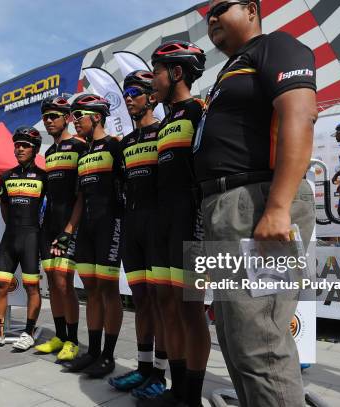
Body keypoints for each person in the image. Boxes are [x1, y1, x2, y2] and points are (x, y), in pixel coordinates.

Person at [194, 1, 317, 406]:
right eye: (207, 13)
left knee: (260, 341)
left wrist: (279, 207)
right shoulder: (230, 69)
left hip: (259, 202)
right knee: (234, 338)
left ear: (250, 9)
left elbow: (300, 115)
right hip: (225, 209)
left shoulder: (276, 46)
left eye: (220, 8)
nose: (211, 17)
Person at [142, 40, 209, 407]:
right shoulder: (167, 121)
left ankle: (193, 398)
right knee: (167, 304)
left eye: (157, 71)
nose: (153, 79)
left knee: (191, 308)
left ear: (177, 73)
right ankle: (177, 389)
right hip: (163, 220)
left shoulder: (200, 111)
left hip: (191, 219)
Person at [108, 70, 167, 399]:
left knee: (161, 304)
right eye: (126, 93)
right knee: (141, 301)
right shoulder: (126, 143)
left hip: (159, 227)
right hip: (133, 227)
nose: (128, 97)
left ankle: (160, 373)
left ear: (152, 97)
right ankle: (144, 369)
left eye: (135, 92)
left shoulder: (163, 132)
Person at [63, 94, 124, 378]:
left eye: (78, 116)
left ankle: (109, 356)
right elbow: (79, 198)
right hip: (85, 228)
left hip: (109, 224)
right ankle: (93, 352)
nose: (73, 122)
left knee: (109, 291)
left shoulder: (115, 145)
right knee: (90, 291)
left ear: (96, 117)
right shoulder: (84, 153)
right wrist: (69, 230)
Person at [0, 127, 46, 351]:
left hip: (32, 237)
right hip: (10, 237)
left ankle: (29, 332)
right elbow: (4, 205)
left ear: (34, 149)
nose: (20, 149)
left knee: (32, 287)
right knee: (0, 285)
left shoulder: (44, 177)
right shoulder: (7, 176)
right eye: (17, 145)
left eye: (25, 145)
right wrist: (13, 226)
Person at [35, 96, 86, 361]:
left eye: (54, 116)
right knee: (53, 283)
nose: (49, 121)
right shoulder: (49, 152)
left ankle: (74, 341)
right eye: (46, 117)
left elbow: (82, 195)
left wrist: (69, 229)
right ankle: (59, 335)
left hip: (69, 223)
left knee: (65, 283)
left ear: (67, 117)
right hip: (49, 224)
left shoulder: (80, 145)